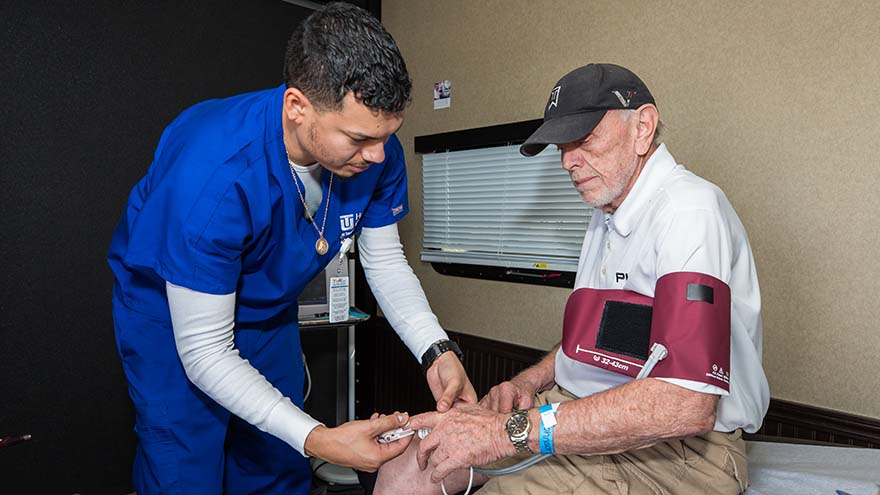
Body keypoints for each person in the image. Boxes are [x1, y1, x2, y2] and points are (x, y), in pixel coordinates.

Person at [107, 3, 477, 494]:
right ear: (297, 107)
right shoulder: (213, 175)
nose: (379, 155)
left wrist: (438, 351)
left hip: (266, 312)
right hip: (172, 320)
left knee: (277, 463)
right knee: (185, 469)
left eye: (388, 136)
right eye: (359, 137)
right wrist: (321, 440)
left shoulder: (374, 154)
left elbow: (385, 261)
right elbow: (204, 350)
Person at [375, 63, 770, 495]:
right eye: (562, 146)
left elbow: (686, 404)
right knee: (409, 463)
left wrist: (498, 434)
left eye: (583, 140)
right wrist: (530, 382)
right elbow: (597, 342)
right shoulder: (606, 213)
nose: (567, 161)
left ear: (643, 127)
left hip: (681, 450)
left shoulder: (689, 211)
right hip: (578, 409)